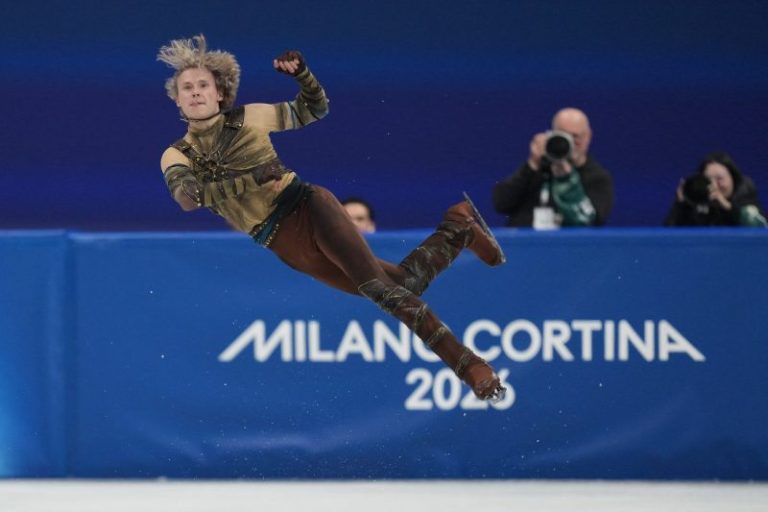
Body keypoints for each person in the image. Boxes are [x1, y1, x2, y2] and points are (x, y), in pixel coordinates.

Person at [157, 35, 507, 401]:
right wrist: (251, 179)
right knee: (405, 284)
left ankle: (470, 367)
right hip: (282, 244)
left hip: (309, 208)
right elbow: (188, 198)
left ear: (219, 93)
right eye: (187, 88)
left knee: (382, 292)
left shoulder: (250, 117)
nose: (195, 92)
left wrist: (303, 75)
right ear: (176, 98)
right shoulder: (176, 154)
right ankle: (458, 226)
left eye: (203, 85)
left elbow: (315, 109)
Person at [492, 108, 614, 228]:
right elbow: (501, 204)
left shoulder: (598, 177)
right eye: (564, 135)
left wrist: (566, 180)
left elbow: (592, 222)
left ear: (588, 137)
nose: (570, 142)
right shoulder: (535, 169)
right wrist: (532, 164)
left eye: (575, 137)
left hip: (568, 241)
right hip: (528, 240)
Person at [664, 152, 767, 227]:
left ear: (733, 178)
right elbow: (669, 235)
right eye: (708, 179)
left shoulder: (744, 196)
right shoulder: (696, 202)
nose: (714, 185)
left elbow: (762, 228)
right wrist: (681, 205)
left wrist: (728, 207)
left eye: (719, 179)